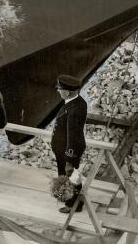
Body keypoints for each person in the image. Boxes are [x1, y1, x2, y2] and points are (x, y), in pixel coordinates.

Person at [51, 74, 87, 213]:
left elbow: (74, 135)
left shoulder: (75, 110)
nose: (58, 91)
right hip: (63, 148)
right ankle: (75, 200)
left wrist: (70, 158)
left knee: (70, 176)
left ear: (66, 92)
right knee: (70, 175)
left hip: (68, 150)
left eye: (59, 89)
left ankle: (73, 205)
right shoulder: (76, 102)